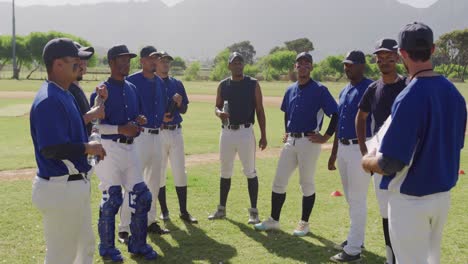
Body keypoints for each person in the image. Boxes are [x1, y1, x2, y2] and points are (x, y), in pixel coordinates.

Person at [361, 22, 467, 264]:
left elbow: (391, 162)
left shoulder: (409, 95)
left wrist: (367, 161)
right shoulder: (455, 94)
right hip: (441, 198)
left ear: (402, 55)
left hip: (410, 200)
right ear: (433, 49)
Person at [30, 38, 106, 264]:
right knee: (61, 257)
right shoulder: (49, 99)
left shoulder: (64, 93)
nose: (79, 65)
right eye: (74, 61)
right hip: (60, 187)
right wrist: (87, 147)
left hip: (72, 185)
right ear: (57, 65)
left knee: (85, 247)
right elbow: (51, 148)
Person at [255, 52, 338, 237]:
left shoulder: (320, 89)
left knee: (306, 183)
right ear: (295, 67)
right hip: (290, 141)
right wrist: (287, 130)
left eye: (307, 63)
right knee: (279, 181)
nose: (303, 66)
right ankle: (274, 221)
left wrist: (325, 137)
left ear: (311, 67)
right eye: (300, 63)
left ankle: (304, 223)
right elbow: (287, 113)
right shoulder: (290, 89)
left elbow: (336, 114)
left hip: (309, 142)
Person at [90, 45, 158, 261]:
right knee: (113, 198)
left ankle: (137, 245)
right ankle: (107, 249)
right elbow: (94, 127)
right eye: (122, 59)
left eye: (128, 59)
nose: (127, 63)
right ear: (111, 63)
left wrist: (138, 122)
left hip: (130, 148)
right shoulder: (101, 90)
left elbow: (135, 118)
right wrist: (120, 128)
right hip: (108, 149)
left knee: (143, 196)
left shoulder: (131, 88)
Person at [355, 38, 407, 264]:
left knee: (405, 211)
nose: (384, 61)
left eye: (389, 57)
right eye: (380, 58)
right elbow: (361, 118)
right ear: (375, 60)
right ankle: (390, 258)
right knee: (385, 212)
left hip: (406, 159)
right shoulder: (373, 89)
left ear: (397, 57)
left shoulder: (408, 86)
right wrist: (365, 152)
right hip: (381, 158)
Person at [118, 46, 170, 244]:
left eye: (157, 58)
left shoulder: (159, 82)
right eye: (151, 58)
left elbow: (160, 108)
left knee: (154, 182)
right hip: (140, 137)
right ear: (142, 61)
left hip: (158, 135)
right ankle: (124, 228)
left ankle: (150, 221)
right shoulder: (132, 80)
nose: (155, 61)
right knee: (133, 182)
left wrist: (165, 116)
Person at [208, 52, 267, 224]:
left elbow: (260, 110)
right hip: (227, 132)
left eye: (240, 62)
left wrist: (263, 135)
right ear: (229, 66)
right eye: (234, 63)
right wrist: (219, 113)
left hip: (245, 132)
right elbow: (216, 107)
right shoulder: (223, 85)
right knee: (225, 171)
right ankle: (221, 209)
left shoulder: (253, 84)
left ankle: (254, 212)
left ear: (244, 65)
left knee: (250, 171)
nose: (238, 66)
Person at [328, 50, 374, 263]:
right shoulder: (345, 90)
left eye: (351, 65)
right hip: (344, 150)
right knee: (350, 198)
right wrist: (334, 152)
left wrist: (371, 150)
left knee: (357, 199)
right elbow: (340, 123)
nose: (347, 68)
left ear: (361, 66)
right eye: (345, 64)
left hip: (361, 149)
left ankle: (353, 250)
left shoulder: (371, 88)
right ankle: (357, 239)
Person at [154, 51, 198, 224]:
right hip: (159, 132)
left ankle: (183, 211)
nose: (165, 64)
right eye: (162, 61)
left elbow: (184, 110)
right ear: (156, 64)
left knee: (180, 171)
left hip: (176, 131)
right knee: (160, 173)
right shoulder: (152, 83)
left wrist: (180, 103)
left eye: (168, 62)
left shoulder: (177, 83)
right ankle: (164, 211)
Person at [68, 42, 106, 135]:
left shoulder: (76, 88)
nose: (84, 63)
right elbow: (69, 126)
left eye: (84, 60)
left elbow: (84, 115)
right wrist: (93, 114)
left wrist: (99, 101)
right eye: (81, 59)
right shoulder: (67, 90)